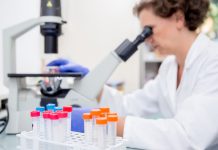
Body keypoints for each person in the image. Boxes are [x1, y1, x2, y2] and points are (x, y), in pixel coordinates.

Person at [48, 0, 218, 149]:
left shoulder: (213, 61)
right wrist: (95, 85)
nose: (147, 39)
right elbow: (130, 106)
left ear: (179, 19)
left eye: (149, 30)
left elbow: (186, 137)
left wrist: (105, 123)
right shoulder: (169, 67)